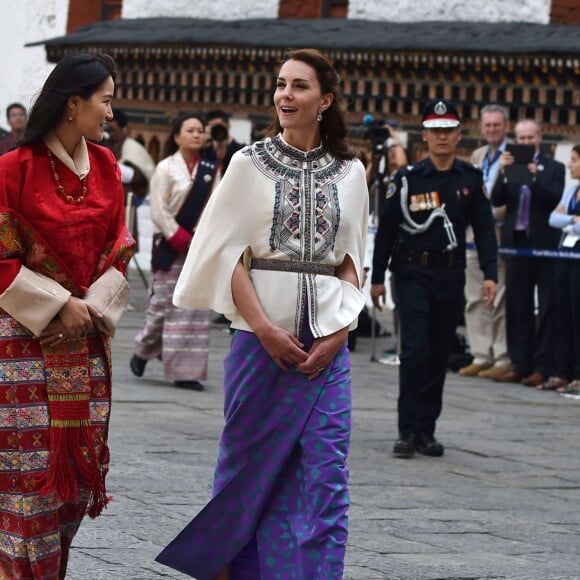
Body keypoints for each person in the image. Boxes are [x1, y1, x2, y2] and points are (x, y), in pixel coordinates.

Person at [156, 48, 368, 579]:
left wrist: (340, 333)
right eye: (280, 84)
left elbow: (352, 262)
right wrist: (265, 329)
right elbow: (223, 253)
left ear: (326, 99)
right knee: (246, 471)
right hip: (259, 344)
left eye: (299, 85)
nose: (285, 95)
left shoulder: (352, 171)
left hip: (326, 352)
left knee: (326, 476)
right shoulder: (249, 163)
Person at [0, 53, 135, 579]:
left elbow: (120, 249)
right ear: (73, 103)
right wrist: (57, 304)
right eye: (105, 100)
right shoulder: (14, 168)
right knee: (26, 476)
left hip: (86, 341)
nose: (110, 111)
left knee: (74, 486)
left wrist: (89, 307)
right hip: (21, 340)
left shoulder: (107, 168)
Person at [371, 99, 498, 459]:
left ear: (459, 135)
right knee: (415, 350)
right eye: (435, 131)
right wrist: (377, 276)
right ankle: (407, 430)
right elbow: (387, 230)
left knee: (440, 351)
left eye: (448, 131)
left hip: (450, 272)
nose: (442, 138)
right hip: (412, 272)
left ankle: (427, 430)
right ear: (424, 135)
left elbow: (485, 229)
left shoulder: (470, 181)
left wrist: (490, 273)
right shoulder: (407, 179)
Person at [130, 113, 219, 391]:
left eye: (200, 130)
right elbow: (158, 209)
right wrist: (179, 237)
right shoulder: (166, 168)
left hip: (199, 248)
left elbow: (216, 206)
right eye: (190, 130)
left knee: (193, 308)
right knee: (161, 307)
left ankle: (187, 372)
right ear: (177, 136)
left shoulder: (211, 169)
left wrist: (202, 237)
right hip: (171, 246)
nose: (196, 134)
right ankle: (143, 349)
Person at [491, 120, 565, 387]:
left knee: (546, 306)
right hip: (516, 243)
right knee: (517, 305)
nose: (525, 143)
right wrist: (502, 171)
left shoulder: (553, 168)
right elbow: (497, 199)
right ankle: (519, 363)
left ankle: (542, 365)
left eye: (529, 138)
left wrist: (535, 177)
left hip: (544, 246)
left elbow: (553, 199)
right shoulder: (511, 166)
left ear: (539, 138)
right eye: (520, 139)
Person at [459, 104, 511, 379]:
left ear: (506, 127)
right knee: (474, 297)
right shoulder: (478, 155)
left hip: (499, 234)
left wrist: (483, 211)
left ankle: (501, 356)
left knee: (498, 298)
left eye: (497, 125)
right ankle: (480, 353)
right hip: (472, 236)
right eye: (488, 125)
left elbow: (514, 198)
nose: (492, 129)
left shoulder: (513, 156)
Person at [538, 144, 580, 395]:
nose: (570, 165)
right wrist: (574, 221)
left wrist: (570, 223)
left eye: (574, 160)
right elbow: (553, 219)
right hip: (564, 255)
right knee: (561, 313)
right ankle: (560, 371)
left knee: (577, 315)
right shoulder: (572, 190)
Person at [107, 108, 156, 247]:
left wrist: (111, 167)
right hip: (102, 205)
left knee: (122, 249)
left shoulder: (133, 148)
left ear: (123, 128)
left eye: (113, 129)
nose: (110, 132)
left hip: (124, 206)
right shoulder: (103, 142)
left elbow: (138, 176)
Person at [206, 108, 246, 177]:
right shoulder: (205, 151)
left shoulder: (241, 151)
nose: (218, 130)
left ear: (228, 126)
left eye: (220, 126)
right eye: (213, 127)